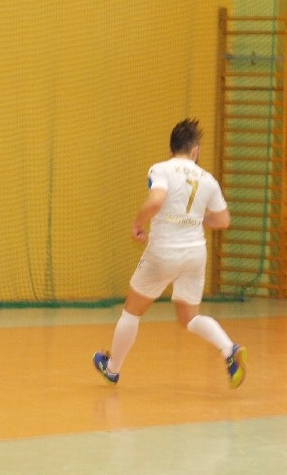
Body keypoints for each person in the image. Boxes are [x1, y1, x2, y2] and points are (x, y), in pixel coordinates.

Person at [93, 118, 247, 388]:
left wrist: (137, 224)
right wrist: (197, 220)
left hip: (164, 252)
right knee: (190, 317)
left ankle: (112, 369)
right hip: (195, 254)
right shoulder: (208, 179)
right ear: (196, 150)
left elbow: (156, 201)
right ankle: (229, 350)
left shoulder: (161, 169)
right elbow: (223, 220)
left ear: (171, 149)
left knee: (132, 312)